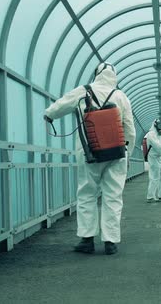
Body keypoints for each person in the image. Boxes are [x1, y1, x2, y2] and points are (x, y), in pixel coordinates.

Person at [44, 62, 136, 255]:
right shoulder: (121, 96)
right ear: (114, 76)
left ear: (96, 74)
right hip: (116, 153)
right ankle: (110, 241)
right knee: (113, 196)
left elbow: (60, 105)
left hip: (90, 153)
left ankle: (87, 240)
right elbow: (130, 129)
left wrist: (49, 115)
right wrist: (127, 153)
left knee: (87, 193)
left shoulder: (83, 91)